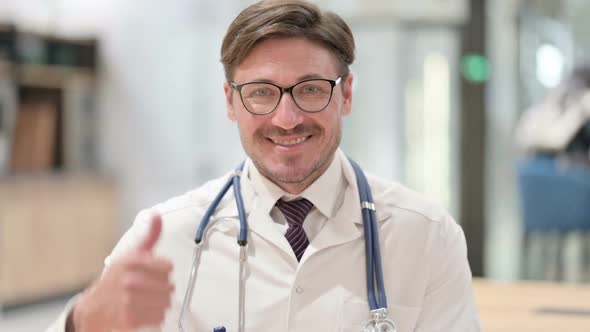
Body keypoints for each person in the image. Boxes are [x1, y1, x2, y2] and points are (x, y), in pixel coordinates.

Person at [47, 0, 480, 331]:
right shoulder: (165, 236)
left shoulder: (425, 235)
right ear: (231, 101)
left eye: (310, 89)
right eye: (261, 92)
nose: (286, 119)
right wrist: (81, 322)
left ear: (346, 94)